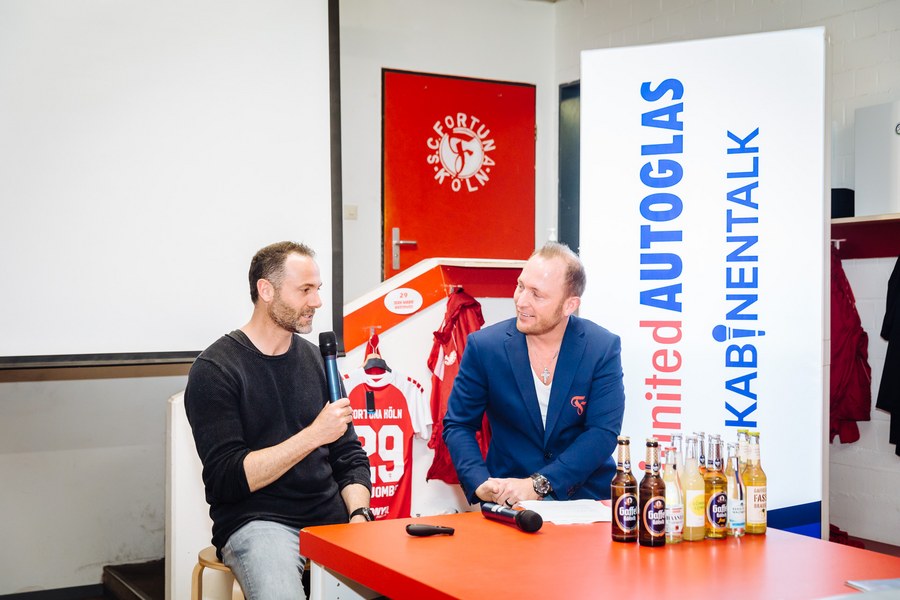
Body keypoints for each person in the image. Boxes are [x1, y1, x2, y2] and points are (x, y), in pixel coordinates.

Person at [184, 241, 372, 600]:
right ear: (266, 290)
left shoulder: (318, 361)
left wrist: (360, 515)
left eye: (318, 289)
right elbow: (227, 478)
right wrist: (313, 435)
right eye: (305, 290)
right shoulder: (216, 370)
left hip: (330, 520)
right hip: (258, 523)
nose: (317, 301)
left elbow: (349, 458)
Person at [442, 241, 625, 506]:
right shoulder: (485, 347)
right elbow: (459, 424)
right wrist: (479, 481)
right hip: (508, 499)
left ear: (569, 305)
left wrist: (539, 484)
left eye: (537, 295)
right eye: (521, 286)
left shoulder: (601, 347)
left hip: (586, 499)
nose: (521, 301)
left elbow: (602, 432)